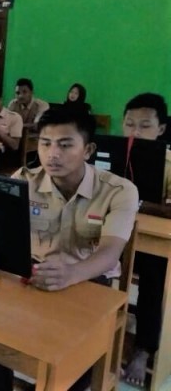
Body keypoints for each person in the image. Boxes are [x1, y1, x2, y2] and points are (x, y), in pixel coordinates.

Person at [0, 107, 139, 391]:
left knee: (76, 359)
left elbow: (110, 253)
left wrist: (72, 273)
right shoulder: (25, 179)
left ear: (88, 150)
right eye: (45, 143)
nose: (52, 154)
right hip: (33, 272)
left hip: (89, 279)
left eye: (65, 145)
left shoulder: (118, 190)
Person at [121, 93, 171, 387]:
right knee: (84, 256)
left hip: (153, 243)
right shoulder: (114, 154)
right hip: (117, 235)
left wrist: (143, 206)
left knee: (154, 276)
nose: (135, 132)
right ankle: (94, 330)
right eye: (129, 124)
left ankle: (143, 349)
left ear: (161, 129)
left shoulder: (168, 162)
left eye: (144, 126)